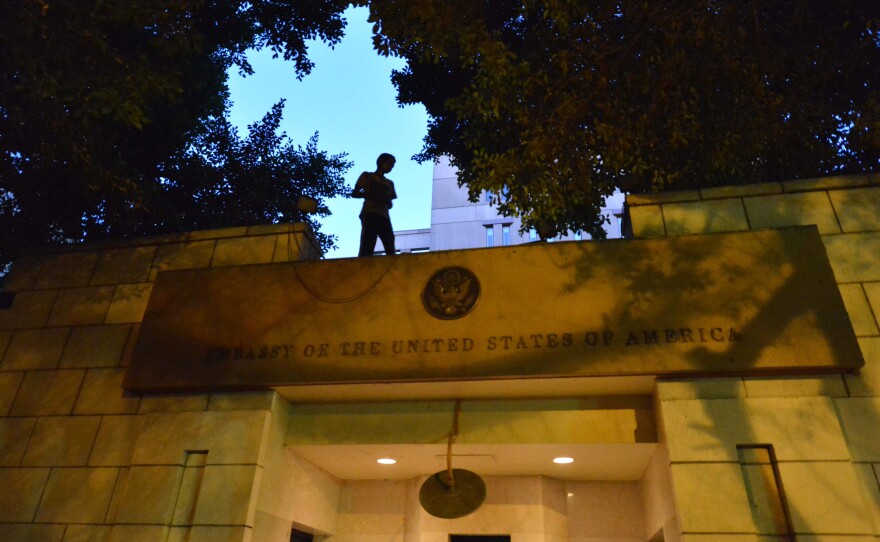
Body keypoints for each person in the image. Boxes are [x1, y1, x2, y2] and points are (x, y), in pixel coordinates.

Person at [353, 153, 398, 257]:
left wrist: (385, 201)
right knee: (367, 243)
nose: (391, 167)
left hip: (384, 216)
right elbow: (355, 193)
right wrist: (370, 195)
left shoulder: (389, 183)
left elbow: (390, 204)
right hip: (370, 213)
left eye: (392, 165)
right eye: (389, 164)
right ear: (381, 162)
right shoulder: (367, 176)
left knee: (389, 243)